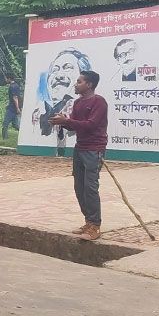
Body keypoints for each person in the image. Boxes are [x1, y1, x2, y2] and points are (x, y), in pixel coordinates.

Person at [50, 70, 108, 241]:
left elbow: (90, 125)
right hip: (80, 148)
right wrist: (62, 121)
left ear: (89, 85)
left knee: (90, 188)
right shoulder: (77, 103)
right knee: (79, 187)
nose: (75, 84)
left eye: (79, 81)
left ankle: (95, 225)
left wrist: (67, 121)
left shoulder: (99, 102)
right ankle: (88, 222)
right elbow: (76, 126)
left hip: (94, 149)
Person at [2, 73, 22, 140]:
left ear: (9, 79)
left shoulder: (12, 87)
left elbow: (15, 98)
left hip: (12, 109)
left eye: (6, 78)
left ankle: (5, 139)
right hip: (13, 108)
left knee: (5, 124)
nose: (5, 79)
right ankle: (24, 135)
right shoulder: (16, 85)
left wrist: (17, 108)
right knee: (15, 125)